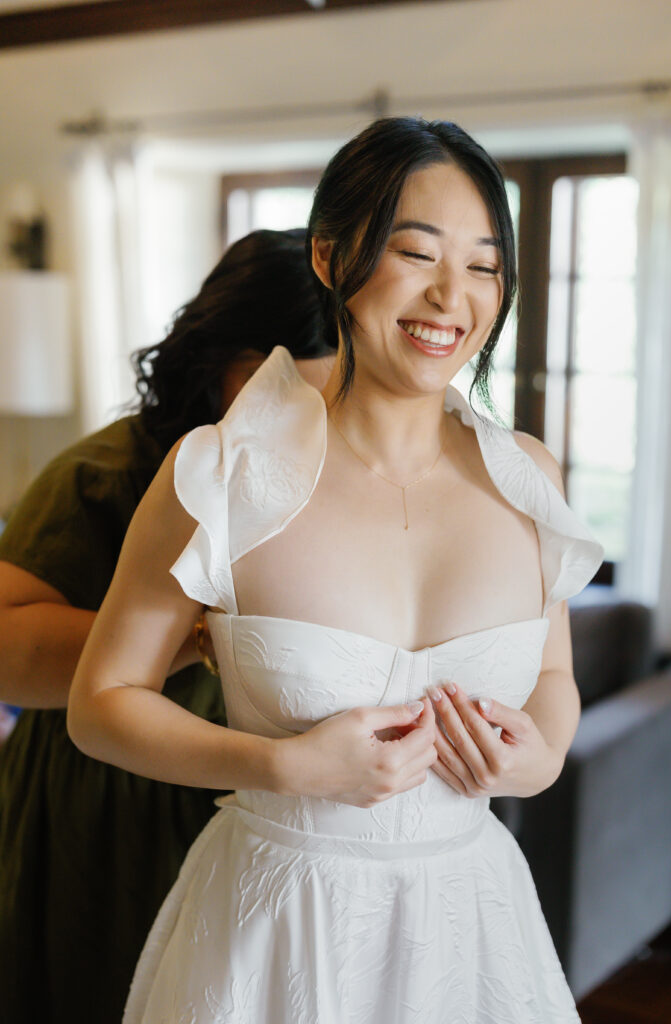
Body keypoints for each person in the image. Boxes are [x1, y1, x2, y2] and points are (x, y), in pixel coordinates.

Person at [68, 118, 603, 1023]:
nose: (451, 297)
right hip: (277, 926)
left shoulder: (527, 477)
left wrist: (542, 756)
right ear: (331, 259)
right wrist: (280, 767)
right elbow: (102, 704)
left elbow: (551, 675)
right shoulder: (222, 469)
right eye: (417, 253)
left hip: (470, 922)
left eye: (482, 266)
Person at [0, 228, 334, 1024]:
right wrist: (196, 639)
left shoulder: (340, 479)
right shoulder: (107, 474)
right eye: (289, 390)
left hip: (270, 818)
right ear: (228, 363)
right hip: (110, 807)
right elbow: (6, 650)